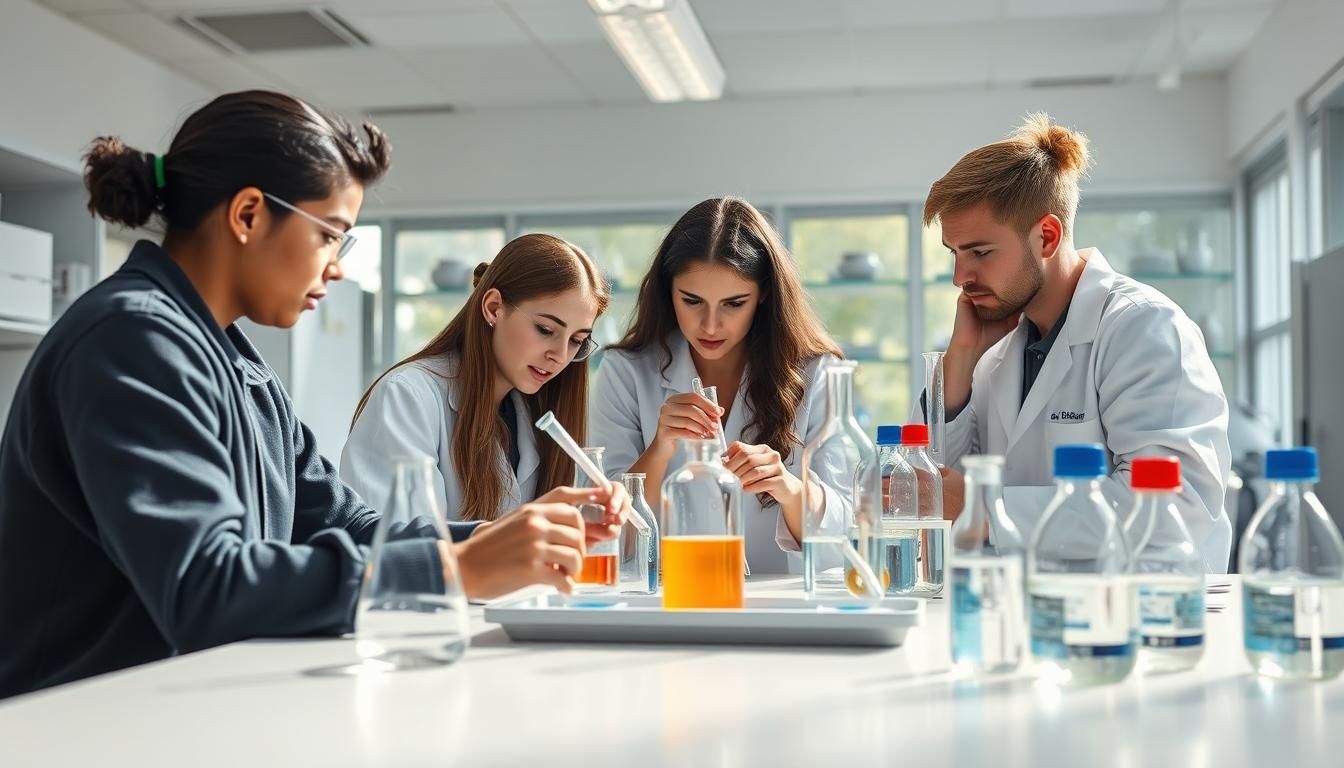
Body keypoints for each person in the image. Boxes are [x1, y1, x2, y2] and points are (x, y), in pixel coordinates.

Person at [0, 91, 621, 698]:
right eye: (330, 235)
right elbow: (206, 588)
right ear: (248, 215)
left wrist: (499, 539)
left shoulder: (238, 363)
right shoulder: (131, 339)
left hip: (173, 711)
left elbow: (347, 523)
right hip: (78, 728)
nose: (338, 267)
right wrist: (456, 571)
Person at [920, 113, 1231, 571]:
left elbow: (1171, 506)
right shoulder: (996, 352)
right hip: (1029, 609)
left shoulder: (1144, 327)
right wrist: (962, 357)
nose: (959, 277)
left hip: (1143, 616)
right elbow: (925, 489)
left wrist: (987, 507)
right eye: (955, 253)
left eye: (980, 253)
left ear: (1046, 237)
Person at [590, 197, 856, 574]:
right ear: (668, 292)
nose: (710, 325)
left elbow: (844, 532)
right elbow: (609, 534)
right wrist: (660, 449)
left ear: (763, 294)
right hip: (671, 602)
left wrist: (788, 487)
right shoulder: (626, 371)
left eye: (733, 303)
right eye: (692, 301)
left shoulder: (817, 373)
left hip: (778, 609)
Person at [342, 234, 609, 523]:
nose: (560, 355)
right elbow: (398, 553)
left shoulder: (532, 412)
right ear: (494, 307)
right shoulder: (406, 398)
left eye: (576, 341)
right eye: (545, 330)